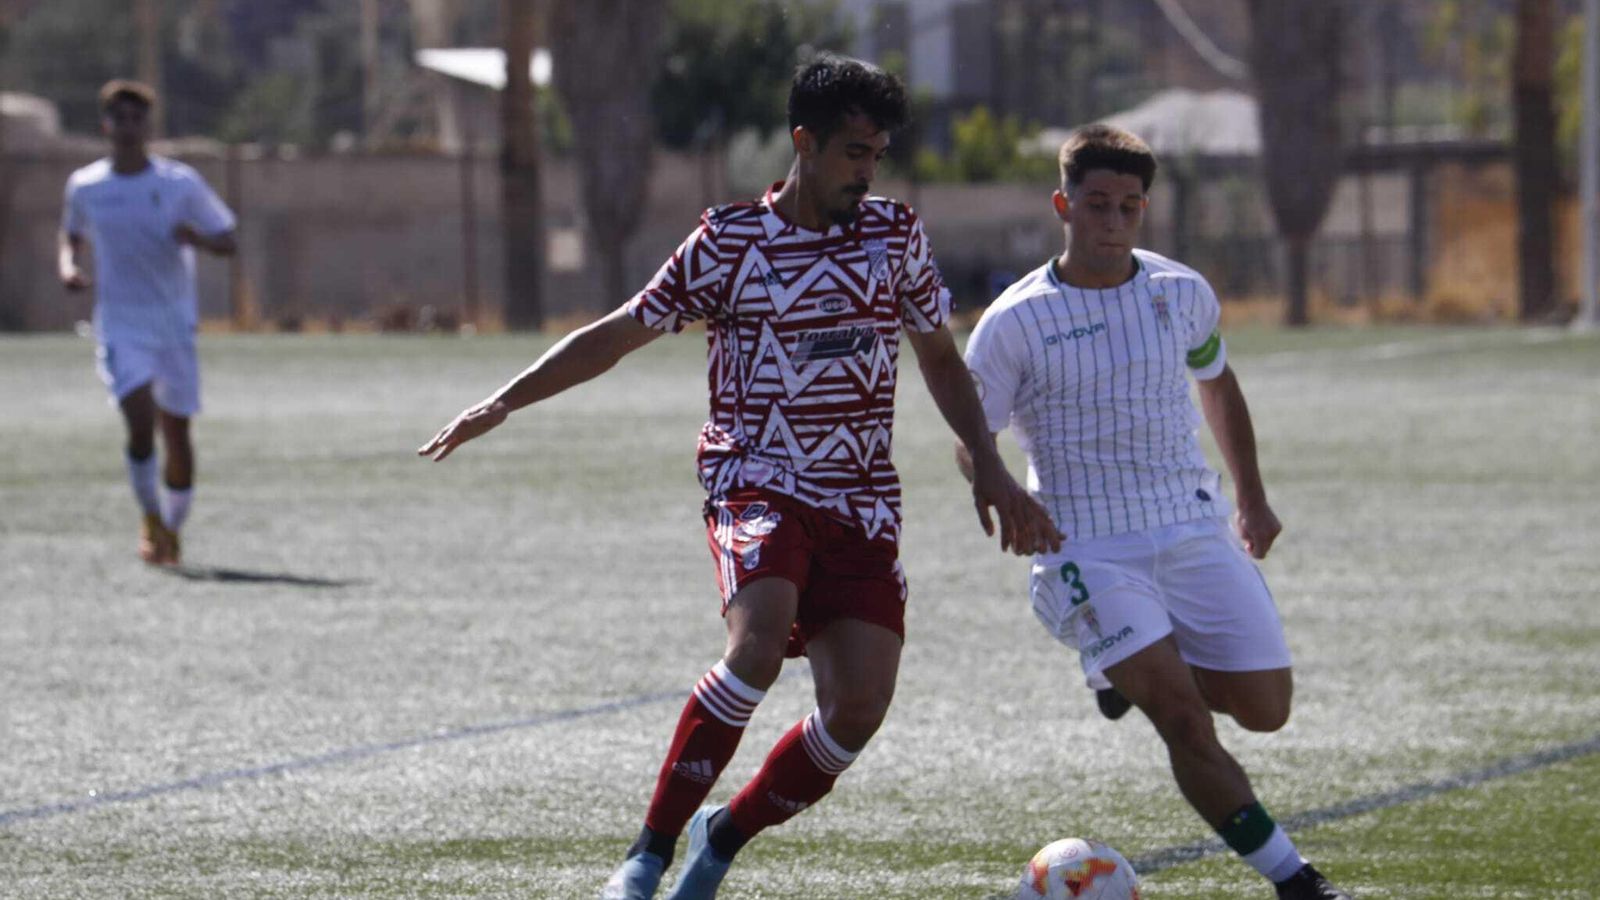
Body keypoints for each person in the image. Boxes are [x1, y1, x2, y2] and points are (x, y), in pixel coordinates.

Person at [417, 55, 1061, 899]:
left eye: (877, 155)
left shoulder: (895, 236)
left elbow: (939, 358)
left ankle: (723, 838)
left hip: (862, 499)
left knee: (857, 711)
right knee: (756, 643)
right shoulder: (729, 243)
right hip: (757, 477)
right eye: (853, 154)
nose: (867, 173)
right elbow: (616, 332)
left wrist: (986, 466)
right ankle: (646, 856)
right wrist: (503, 401)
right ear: (804, 143)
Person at [959, 125, 1353, 900]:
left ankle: (1118, 666)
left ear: (1145, 209)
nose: (1112, 221)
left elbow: (1217, 382)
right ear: (1063, 204)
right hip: (1085, 547)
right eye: (1096, 204)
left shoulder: (1181, 292)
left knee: (1266, 709)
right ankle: (1299, 882)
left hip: (1192, 524)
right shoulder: (1013, 320)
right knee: (1182, 718)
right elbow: (975, 437)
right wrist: (1001, 490)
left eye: (1129, 207)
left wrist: (1252, 496)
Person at [59, 79, 238, 566]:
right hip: (120, 325)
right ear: (106, 124)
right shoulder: (87, 185)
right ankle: (151, 516)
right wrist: (69, 267)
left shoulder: (178, 184)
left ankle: (172, 529)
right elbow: (71, 235)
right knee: (140, 423)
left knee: (176, 432)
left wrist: (196, 239)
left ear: (147, 126)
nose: (129, 126)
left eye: (137, 118)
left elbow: (228, 239)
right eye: (120, 117)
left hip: (173, 326)